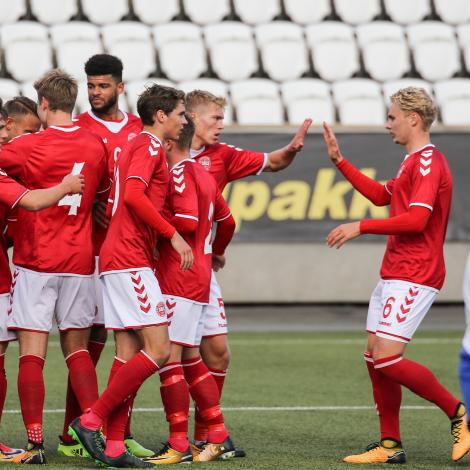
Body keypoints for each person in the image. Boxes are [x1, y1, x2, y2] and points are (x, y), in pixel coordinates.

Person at [323, 86, 470, 464]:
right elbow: (380, 195)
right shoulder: (411, 162)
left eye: (391, 117)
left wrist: (361, 227)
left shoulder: (427, 163)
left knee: (387, 358)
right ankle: (390, 445)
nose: (387, 124)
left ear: (412, 119)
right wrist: (340, 161)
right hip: (395, 271)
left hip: (417, 273)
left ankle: (458, 413)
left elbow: (418, 220)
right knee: (374, 357)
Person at [69, 84, 193, 469]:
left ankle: (114, 446)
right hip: (128, 259)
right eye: (181, 114)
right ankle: (91, 420)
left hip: (122, 256)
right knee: (158, 348)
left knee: (126, 354)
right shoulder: (151, 145)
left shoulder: (139, 145)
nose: (184, 120)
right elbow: (135, 196)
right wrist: (172, 236)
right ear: (161, 115)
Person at [185, 90, 311, 454]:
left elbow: (273, 162)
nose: (221, 125)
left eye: (222, 119)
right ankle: (160, 435)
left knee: (218, 353)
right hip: (169, 269)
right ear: (191, 118)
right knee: (169, 354)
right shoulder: (163, 153)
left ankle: (204, 435)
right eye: (214, 118)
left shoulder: (222, 156)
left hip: (203, 269)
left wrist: (291, 150)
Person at [0, 69, 109, 464]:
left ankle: (33, 445)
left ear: (43, 104)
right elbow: (102, 194)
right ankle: (95, 430)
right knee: (77, 350)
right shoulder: (96, 145)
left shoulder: (31, 145)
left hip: (37, 259)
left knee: (32, 353)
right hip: (80, 261)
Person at [60, 53, 147, 458]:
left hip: (129, 249)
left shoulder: (137, 128)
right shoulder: (78, 128)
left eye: (103, 86)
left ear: (120, 87)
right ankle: (72, 432)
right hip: (91, 249)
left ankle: (117, 430)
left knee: (125, 342)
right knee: (90, 339)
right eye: (91, 86)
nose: (96, 93)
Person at [147, 116, 236, 464]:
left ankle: (178, 443)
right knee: (190, 357)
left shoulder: (180, 173)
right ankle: (216, 433)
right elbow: (228, 222)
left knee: (168, 359)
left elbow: (185, 221)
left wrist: (156, 232)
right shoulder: (205, 174)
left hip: (177, 276)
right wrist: (216, 252)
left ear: (169, 143)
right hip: (199, 277)